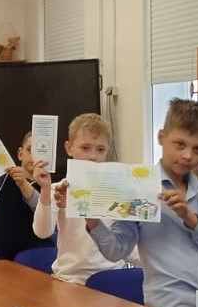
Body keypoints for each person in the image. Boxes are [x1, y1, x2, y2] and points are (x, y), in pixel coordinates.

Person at [87, 98, 198, 307]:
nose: (188, 155)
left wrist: (189, 217)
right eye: (180, 144)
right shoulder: (137, 187)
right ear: (161, 137)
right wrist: (92, 220)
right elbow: (116, 250)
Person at [32, 112, 135, 284]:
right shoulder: (58, 189)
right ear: (69, 148)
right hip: (70, 279)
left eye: (100, 149)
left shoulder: (117, 191)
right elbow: (42, 232)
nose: (93, 156)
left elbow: (128, 245)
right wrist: (45, 189)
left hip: (112, 277)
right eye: (85, 148)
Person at [0, 131, 54, 259]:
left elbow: (47, 215)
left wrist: (24, 184)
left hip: (35, 257)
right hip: (3, 257)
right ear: (20, 153)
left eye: (41, 151)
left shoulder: (49, 187)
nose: (34, 156)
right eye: (30, 150)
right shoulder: (3, 178)